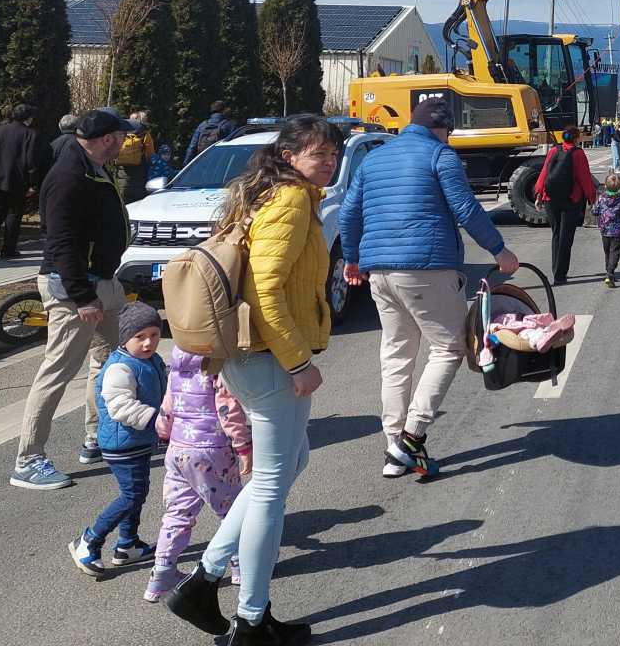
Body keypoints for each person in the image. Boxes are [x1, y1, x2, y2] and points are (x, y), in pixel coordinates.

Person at [165, 114, 343, 644]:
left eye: (333, 153)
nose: (329, 161)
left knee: (291, 463)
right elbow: (265, 291)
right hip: (269, 359)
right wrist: (297, 363)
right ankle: (251, 617)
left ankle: (204, 579)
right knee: (270, 485)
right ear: (289, 156)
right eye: (318, 154)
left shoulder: (266, 194)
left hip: (251, 358)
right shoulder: (289, 201)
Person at [338, 98, 519, 480]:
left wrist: (351, 259)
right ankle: (410, 437)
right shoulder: (440, 156)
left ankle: (393, 447)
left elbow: (349, 212)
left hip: (379, 273)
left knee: (396, 355)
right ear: (442, 128)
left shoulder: (373, 159)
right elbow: (466, 209)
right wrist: (499, 251)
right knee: (449, 347)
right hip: (426, 267)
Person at [11, 108, 135, 491]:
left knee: (112, 360)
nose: (125, 142)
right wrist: (82, 297)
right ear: (106, 139)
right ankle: (28, 459)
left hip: (103, 283)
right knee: (57, 371)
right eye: (121, 136)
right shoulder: (68, 176)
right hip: (75, 290)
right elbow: (61, 243)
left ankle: (96, 438)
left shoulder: (93, 167)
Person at [145, 343, 252, 603]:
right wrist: (243, 446)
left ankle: (162, 573)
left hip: (178, 451)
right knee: (231, 509)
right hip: (211, 450)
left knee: (177, 513)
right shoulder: (217, 367)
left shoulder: (176, 368)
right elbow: (228, 411)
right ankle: (241, 565)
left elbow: (167, 407)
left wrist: (164, 431)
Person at [68, 301, 167, 578]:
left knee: (138, 493)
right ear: (125, 338)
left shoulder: (152, 361)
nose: (148, 343)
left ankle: (128, 545)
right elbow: (120, 407)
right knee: (131, 495)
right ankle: (89, 540)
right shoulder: (120, 368)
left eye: (154, 335)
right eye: (140, 337)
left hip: (139, 441)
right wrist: (157, 419)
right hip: (121, 444)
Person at [533, 127, 597, 286]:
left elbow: (544, 173)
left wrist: (539, 194)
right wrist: (592, 198)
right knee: (566, 237)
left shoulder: (554, 150)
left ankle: (555, 270)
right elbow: (585, 178)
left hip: (550, 199)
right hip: (571, 199)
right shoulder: (578, 154)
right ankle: (560, 275)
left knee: (556, 234)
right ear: (576, 138)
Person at [0, 103, 48, 259]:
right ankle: (8, 249)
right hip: (17, 180)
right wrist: (32, 184)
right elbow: (31, 162)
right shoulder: (30, 134)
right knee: (14, 214)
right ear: (28, 118)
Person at [590, 172, 620, 288]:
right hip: (617, 231)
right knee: (614, 252)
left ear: (605, 185)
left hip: (604, 230)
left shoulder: (601, 198)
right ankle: (610, 274)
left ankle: (608, 273)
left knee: (607, 251)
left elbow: (594, 211)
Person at [117, 111, 156, 203]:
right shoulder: (145, 135)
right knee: (138, 203)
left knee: (124, 203)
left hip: (123, 176)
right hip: (140, 177)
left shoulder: (122, 134)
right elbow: (151, 154)